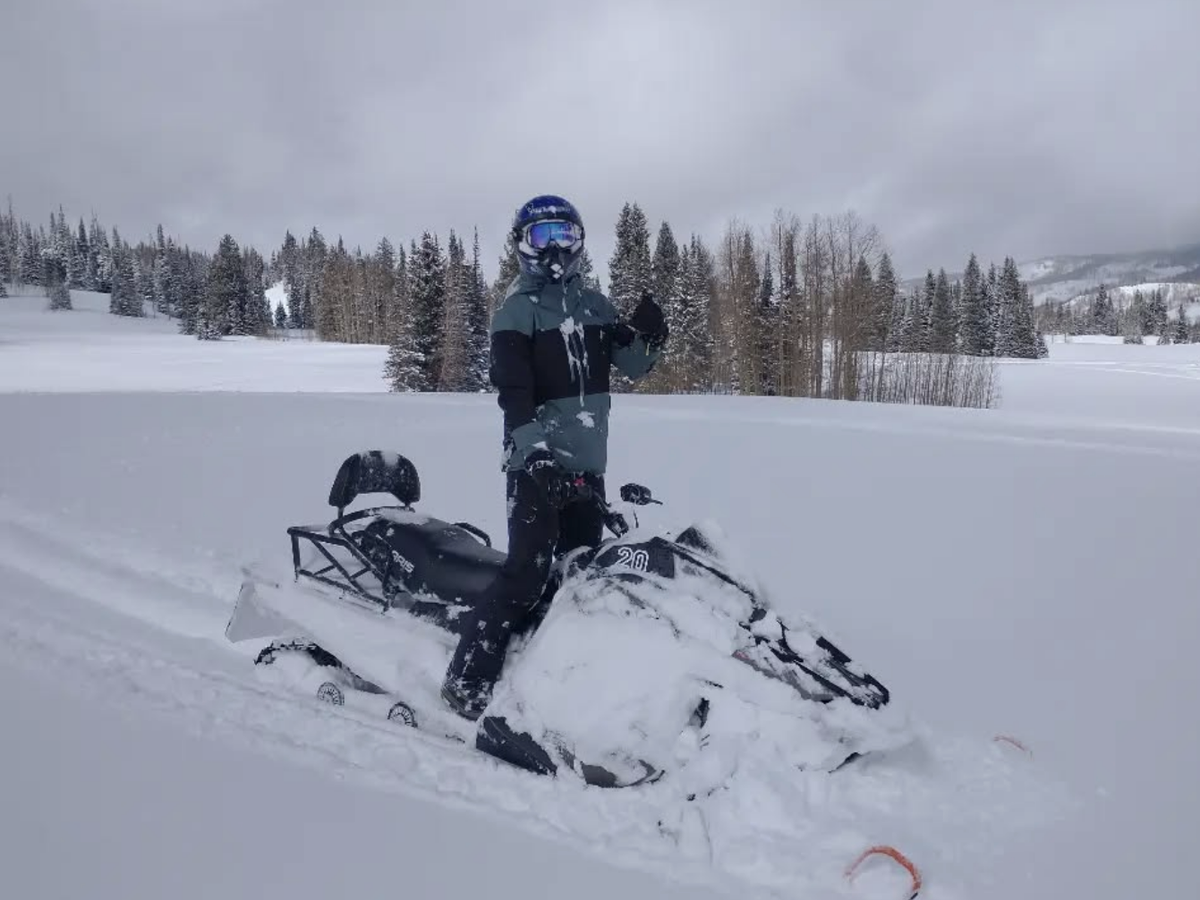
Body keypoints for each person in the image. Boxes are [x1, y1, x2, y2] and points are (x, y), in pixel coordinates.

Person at [441, 194, 668, 720]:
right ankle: (466, 680)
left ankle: (548, 680)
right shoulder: (517, 311)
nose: (554, 249)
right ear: (523, 244)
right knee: (526, 574)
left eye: (563, 236)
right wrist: (535, 452)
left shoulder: (593, 304)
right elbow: (512, 393)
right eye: (543, 237)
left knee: (577, 577)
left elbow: (633, 366)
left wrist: (651, 335)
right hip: (535, 465)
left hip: (588, 464)